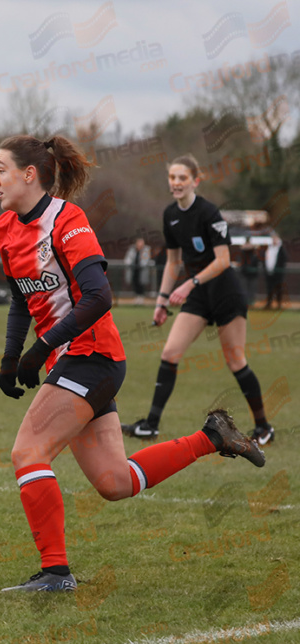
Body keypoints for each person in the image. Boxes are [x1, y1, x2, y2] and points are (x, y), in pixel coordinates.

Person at [0, 136, 265, 593]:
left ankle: (56, 573)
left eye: (1, 169)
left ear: (29, 174)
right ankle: (211, 436)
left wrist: (41, 349)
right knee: (114, 482)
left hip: (91, 355)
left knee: (28, 452)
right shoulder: (6, 226)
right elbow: (22, 300)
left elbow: (100, 297)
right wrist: (9, 358)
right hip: (74, 360)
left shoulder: (66, 219)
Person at [122, 155, 275, 445]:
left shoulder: (209, 213)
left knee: (235, 361)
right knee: (169, 353)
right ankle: (150, 425)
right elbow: (172, 262)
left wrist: (190, 283)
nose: (176, 183)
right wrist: (161, 301)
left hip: (225, 293)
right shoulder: (170, 215)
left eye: (182, 178)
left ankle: (264, 427)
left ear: (196, 180)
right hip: (199, 296)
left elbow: (222, 261)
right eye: (172, 177)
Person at [263, 231, 288, 310]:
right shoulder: (268, 248)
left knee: (278, 288)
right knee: (269, 288)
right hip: (269, 273)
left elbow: (284, 259)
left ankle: (279, 303)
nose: (274, 240)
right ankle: (269, 304)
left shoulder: (281, 249)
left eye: (275, 239)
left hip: (278, 273)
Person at [123, 237, 151, 305]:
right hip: (133, 270)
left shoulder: (146, 250)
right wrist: (129, 264)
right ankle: (136, 297)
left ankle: (141, 298)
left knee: (141, 284)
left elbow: (145, 260)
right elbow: (128, 259)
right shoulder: (132, 249)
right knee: (134, 283)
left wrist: (142, 265)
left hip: (142, 271)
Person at [238, 240, 260, 306]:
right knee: (244, 289)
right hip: (244, 274)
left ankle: (251, 302)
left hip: (252, 275)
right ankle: (245, 302)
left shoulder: (254, 254)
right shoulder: (243, 254)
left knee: (251, 289)